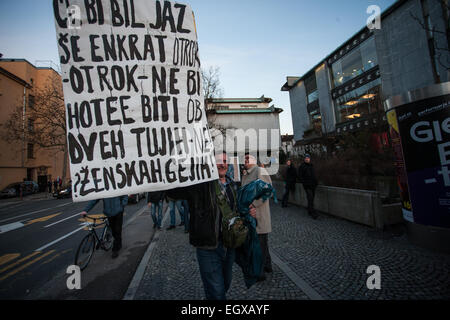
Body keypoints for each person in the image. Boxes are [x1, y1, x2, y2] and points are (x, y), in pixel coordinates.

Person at [165, 152, 256, 300]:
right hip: (208, 248)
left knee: (225, 284)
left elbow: (238, 211)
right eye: (218, 161)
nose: (222, 164)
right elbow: (174, 191)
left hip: (229, 246)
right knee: (217, 291)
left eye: (225, 161)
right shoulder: (199, 186)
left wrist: (249, 210)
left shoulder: (233, 185)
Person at [242, 154, 273, 281]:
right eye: (244, 158)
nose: (245, 160)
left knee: (259, 244)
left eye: (247, 158)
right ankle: (267, 265)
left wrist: (253, 204)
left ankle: (259, 273)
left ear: (254, 160)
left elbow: (268, 191)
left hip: (259, 215)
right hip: (250, 216)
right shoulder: (246, 173)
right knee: (261, 243)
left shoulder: (259, 171)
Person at [298, 154, 319, 219]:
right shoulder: (302, 166)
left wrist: (316, 182)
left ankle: (310, 210)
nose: (307, 159)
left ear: (309, 159)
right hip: (307, 185)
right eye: (306, 158)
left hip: (313, 185)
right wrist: (304, 183)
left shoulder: (311, 165)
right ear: (304, 159)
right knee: (310, 198)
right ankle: (313, 213)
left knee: (311, 198)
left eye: (308, 158)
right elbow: (300, 176)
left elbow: (314, 175)